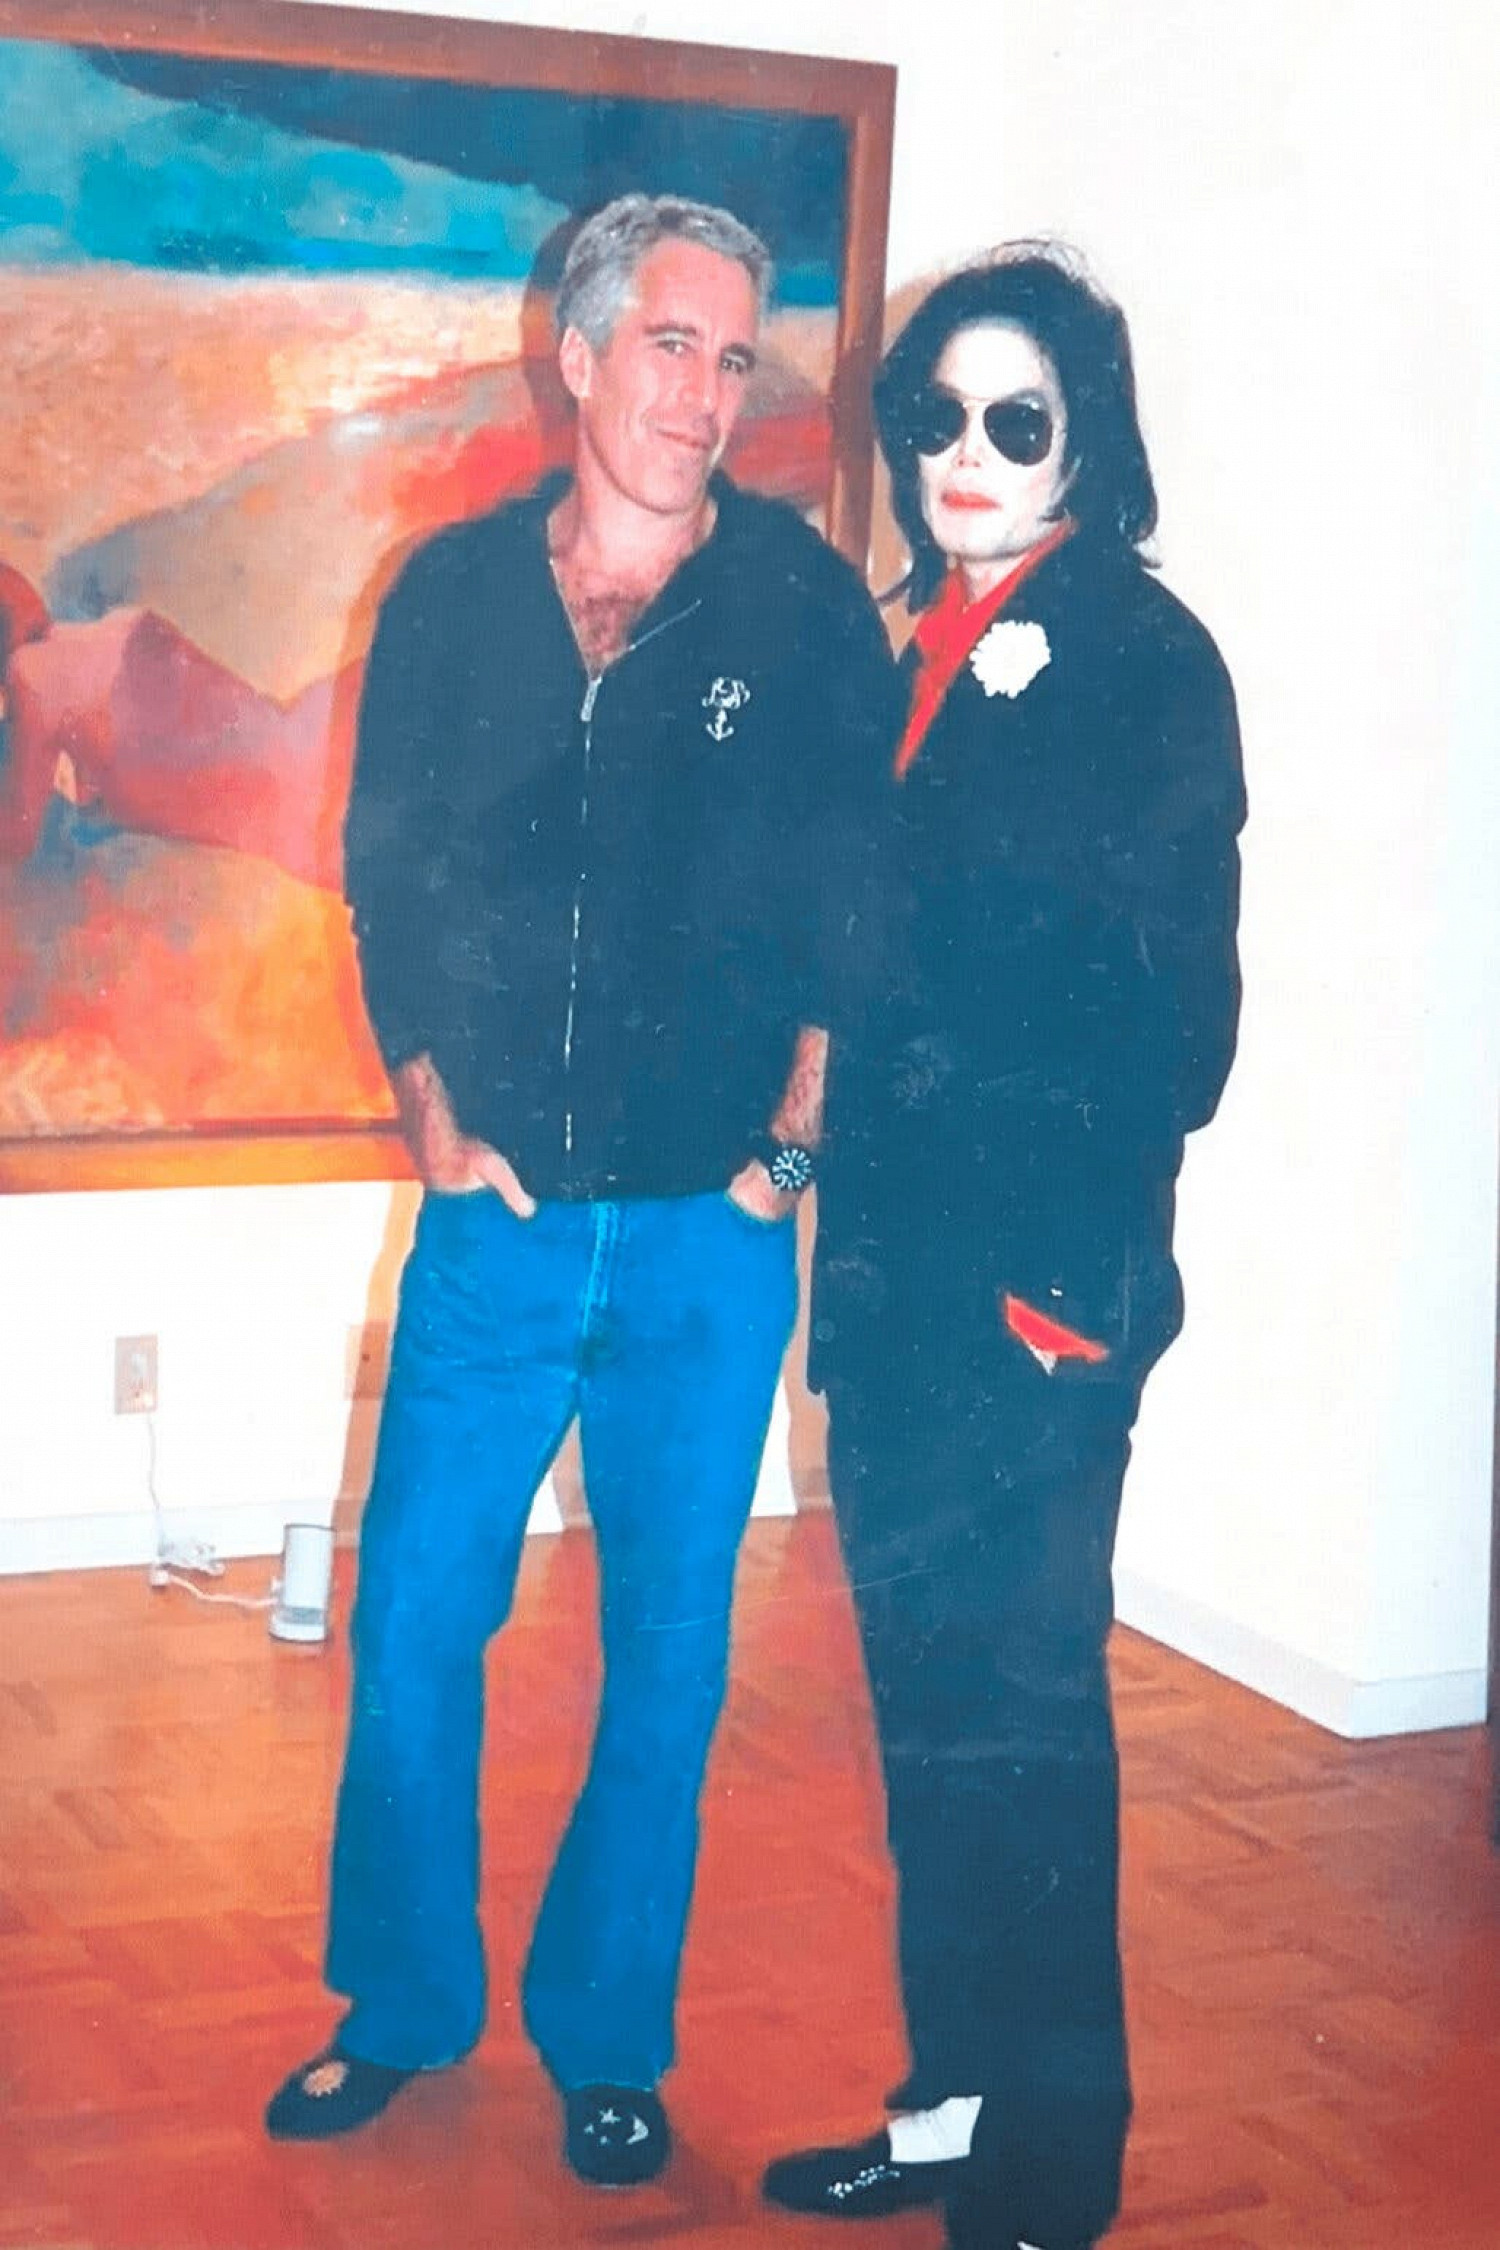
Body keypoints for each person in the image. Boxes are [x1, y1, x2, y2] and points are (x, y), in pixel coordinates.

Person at [264, 193, 899, 2184]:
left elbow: (858, 910)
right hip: (500, 1229)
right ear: (582, 351)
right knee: (413, 1616)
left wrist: (785, 1158)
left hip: (710, 1243)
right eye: (671, 345)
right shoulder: (452, 598)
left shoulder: (802, 612)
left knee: (671, 1658)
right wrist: (429, 1107)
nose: (705, 395)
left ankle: (609, 2035)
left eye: (736, 358)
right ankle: (403, 2002)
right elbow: (385, 872)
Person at [763, 246, 1246, 2250]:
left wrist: (1059, 1291)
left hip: (1035, 1307)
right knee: (930, 1717)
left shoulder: (1143, 658)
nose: (966, 452)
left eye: (1015, 419)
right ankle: (954, 2109)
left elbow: (1180, 1030)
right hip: (893, 1298)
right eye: (937, 416)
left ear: (1086, 442)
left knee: (1026, 1730)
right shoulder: (910, 644)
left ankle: (1050, 2182)